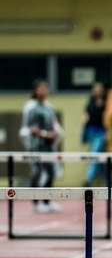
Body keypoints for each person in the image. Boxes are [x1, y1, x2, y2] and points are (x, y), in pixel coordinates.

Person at [20, 78, 63, 213]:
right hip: (36, 146)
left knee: (50, 173)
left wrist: (56, 133)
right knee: (37, 172)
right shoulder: (31, 107)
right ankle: (36, 203)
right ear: (35, 90)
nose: (44, 90)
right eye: (41, 87)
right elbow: (30, 128)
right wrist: (45, 134)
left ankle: (47, 201)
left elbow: (54, 124)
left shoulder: (49, 107)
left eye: (46, 87)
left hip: (49, 146)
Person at [82, 82, 108, 186]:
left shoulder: (106, 103)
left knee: (95, 154)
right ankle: (107, 179)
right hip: (91, 131)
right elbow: (86, 116)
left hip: (101, 132)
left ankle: (88, 178)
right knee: (99, 158)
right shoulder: (91, 103)